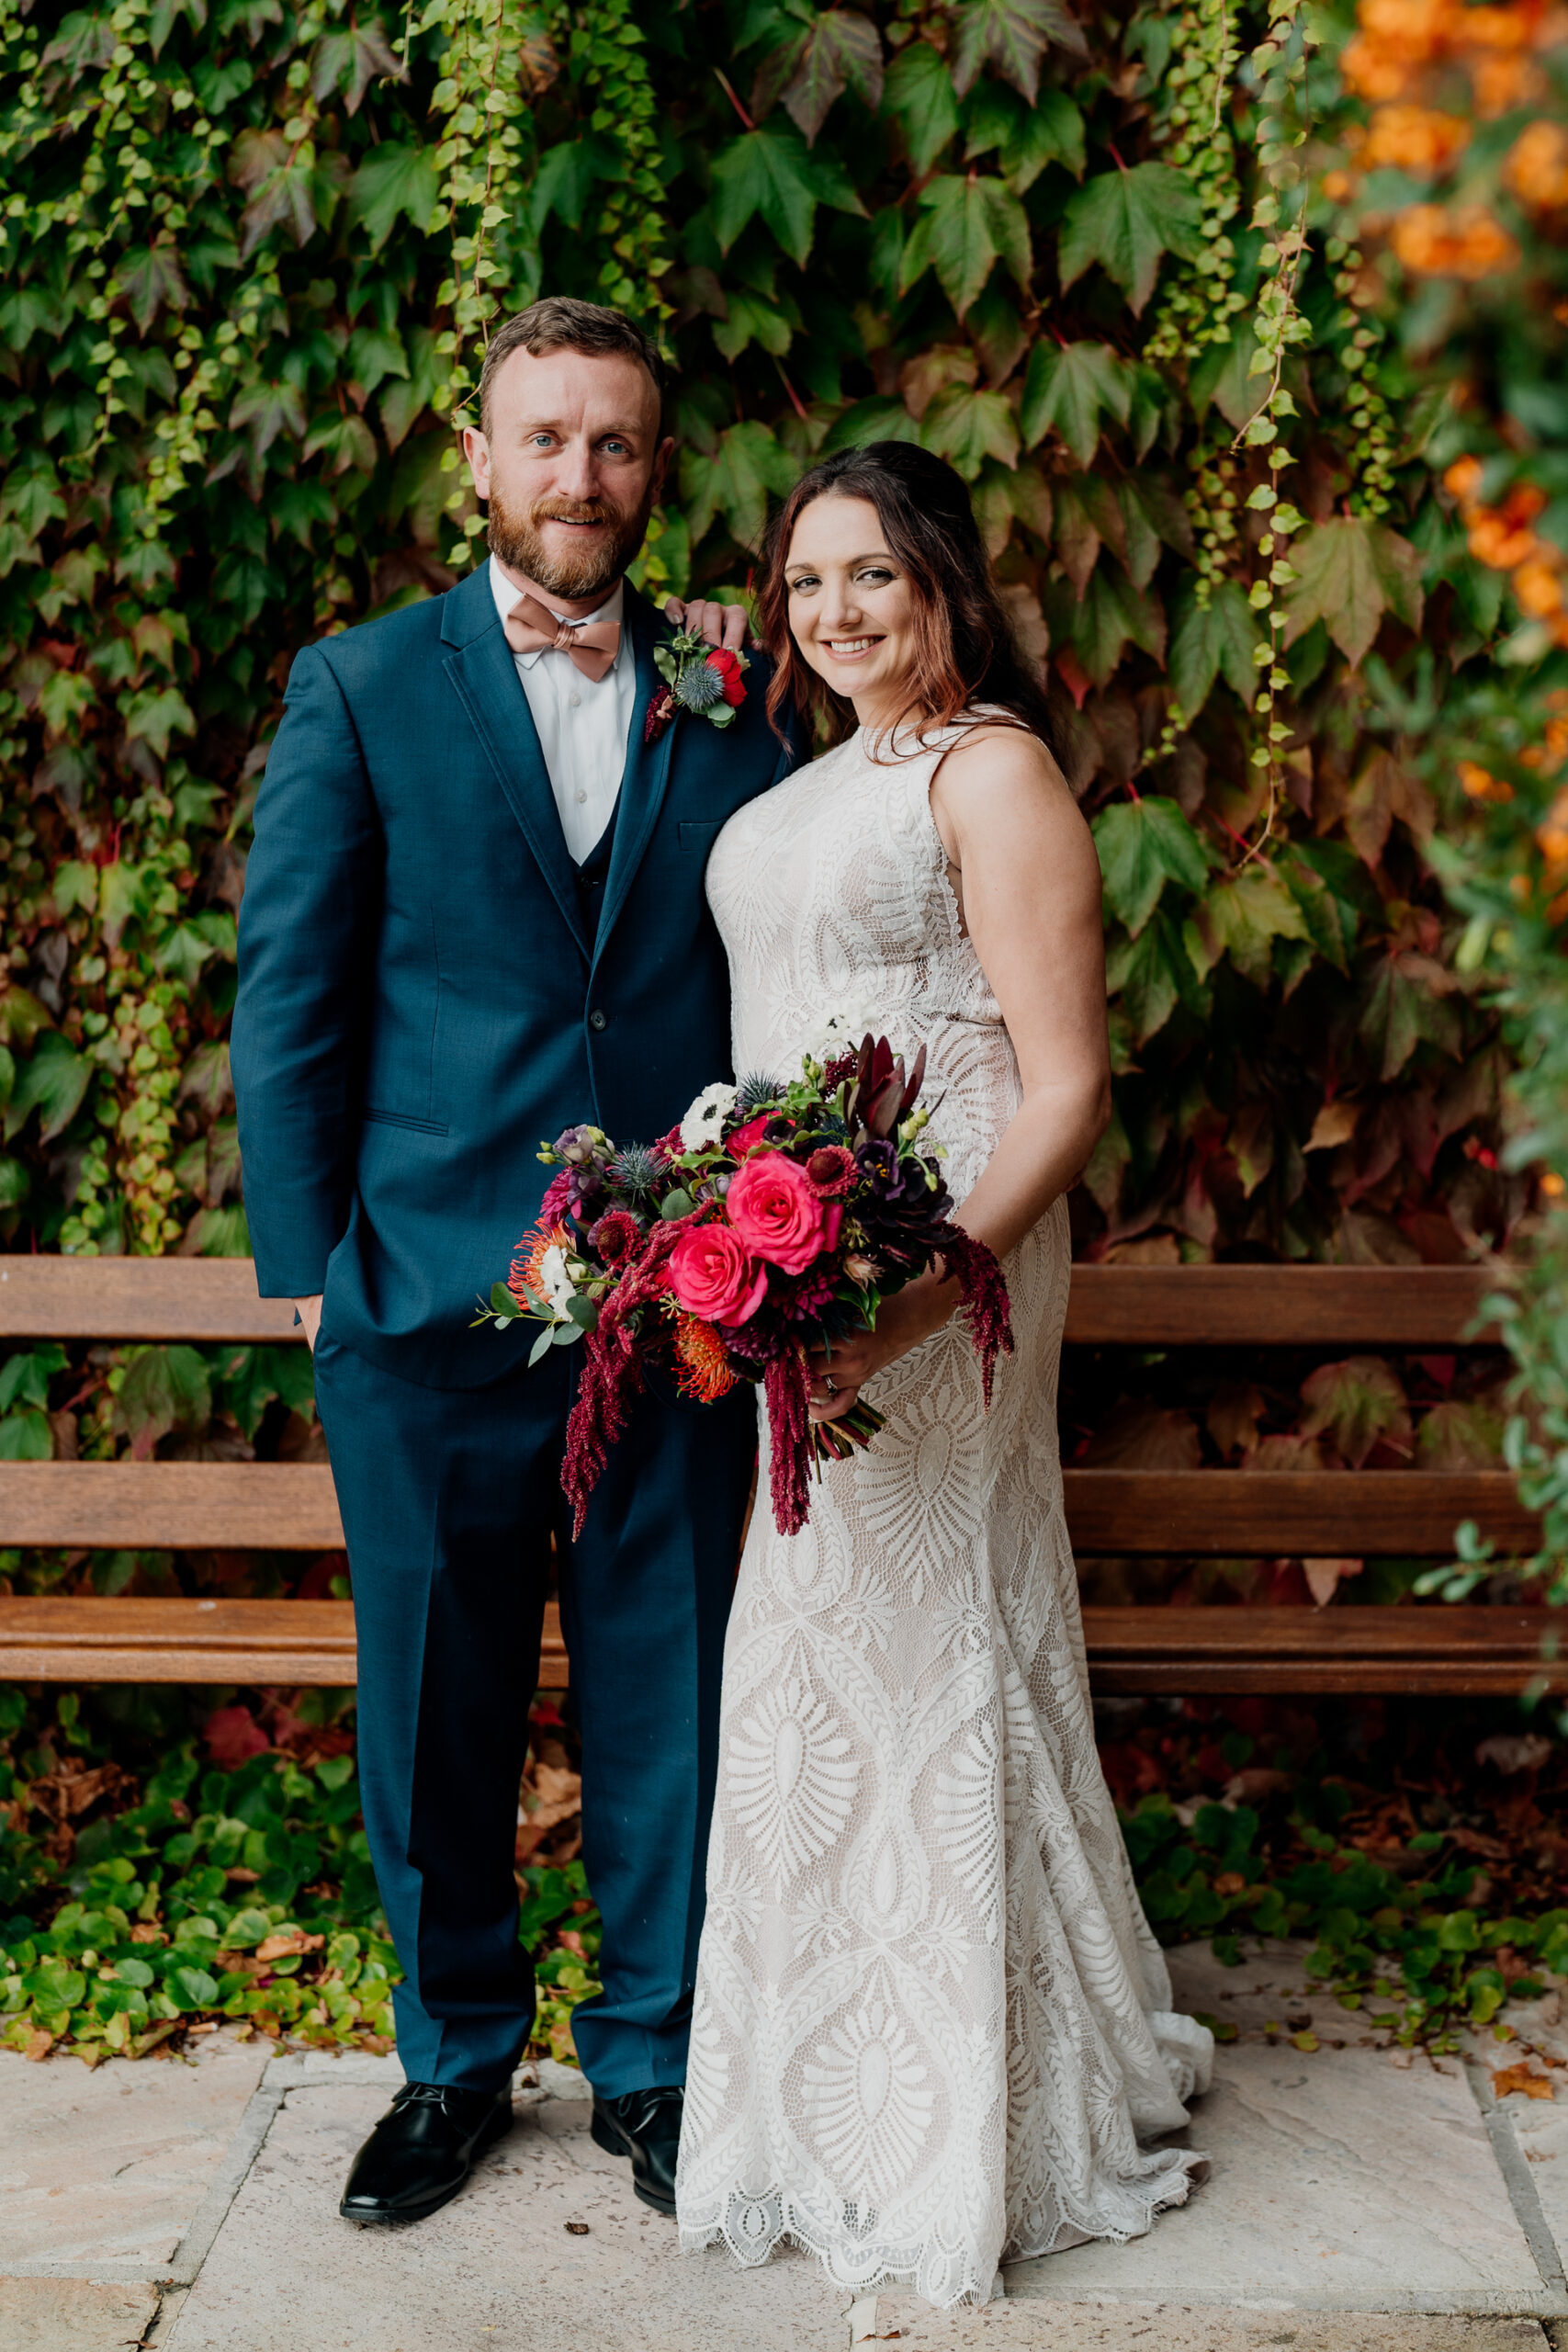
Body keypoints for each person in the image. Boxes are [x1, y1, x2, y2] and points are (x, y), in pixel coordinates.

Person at [231, 298, 795, 2229]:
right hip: (420, 1298)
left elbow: (774, 972)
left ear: (655, 467)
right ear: (475, 458)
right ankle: (452, 2056)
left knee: (669, 1690)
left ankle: (653, 2061)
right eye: (544, 439)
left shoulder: (728, 700)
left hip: (672, 1303)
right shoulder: (363, 684)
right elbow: (290, 986)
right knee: (434, 1705)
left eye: (615, 443)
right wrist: (309, 1268)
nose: (581, 477)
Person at [674, 442, 1213, 2308]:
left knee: (924, 1634)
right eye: (805, 577)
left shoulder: (991, 767)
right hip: (802, 1259)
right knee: (816, 1645)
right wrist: (726, 1240)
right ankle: (822, 2089)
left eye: (870, 575)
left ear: (940, 584)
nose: (834, 608)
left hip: (948, 1266)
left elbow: (1059, 1080)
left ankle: (965, 2110)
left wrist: (913, 1297)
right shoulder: (815, 772)